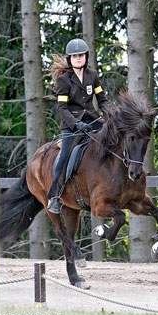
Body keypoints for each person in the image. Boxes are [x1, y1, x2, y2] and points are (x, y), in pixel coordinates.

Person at [46, 38, 110, 214]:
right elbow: (62, 108)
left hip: (92, 119)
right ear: (70, 59)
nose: (78, 58)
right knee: (65, 155)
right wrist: (76, 124)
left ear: (86, 56)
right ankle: (55, 195)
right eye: (74, 56)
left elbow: (102, 99)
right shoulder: (64, 80)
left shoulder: (92, 75)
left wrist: (109, 115)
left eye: (81, 55)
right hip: (71, 124)